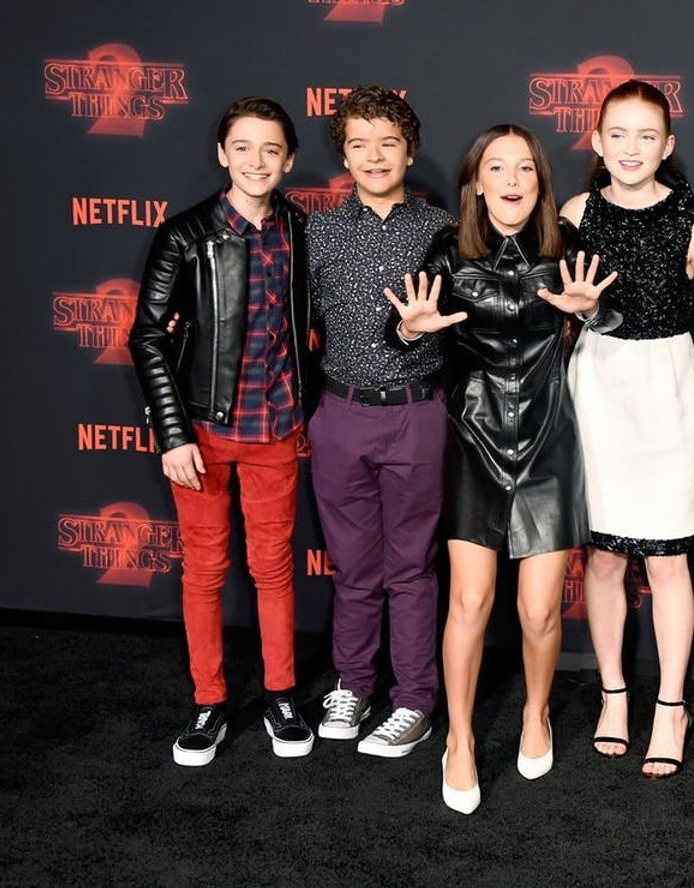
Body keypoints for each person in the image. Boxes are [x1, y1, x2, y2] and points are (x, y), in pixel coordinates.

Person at [385, 124, 620, 813]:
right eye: (497, 167)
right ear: (476, 182)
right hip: (474, 438)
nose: (512, 180)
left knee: (540, 610)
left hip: (549, 442)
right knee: (469, 602)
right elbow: (401, 330)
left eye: (524, 168)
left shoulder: (565, 245)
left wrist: (594, 310)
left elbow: (615, 313)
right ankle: (459, 740)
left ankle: (535, 712)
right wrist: (409, 329)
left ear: (540, 182)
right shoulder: (448, 251)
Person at [561, 80, 694, 779]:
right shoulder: (575, 213)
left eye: (646, 136)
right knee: (603, 558)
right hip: (597, 387)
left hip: (668, 392)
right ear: (597, 141)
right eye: (618, 134)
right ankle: (613, 694)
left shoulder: (693, 220)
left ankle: (671, 707)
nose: (631, 148)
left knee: (668, 563)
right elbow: (552, 318)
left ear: (667, 146)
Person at [128, 97, 316, 765]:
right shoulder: (184, 234)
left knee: (273, 568)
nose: (256, 161)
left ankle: (281, 695)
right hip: (201, 434)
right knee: (204, 570)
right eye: (243, 147)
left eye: (270, 149)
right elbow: (147, 336)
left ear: (288, 160)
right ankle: (208, 702)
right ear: (222, 154)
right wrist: (172, 432)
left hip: (277, 429)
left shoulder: (302, 230)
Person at [305, 86, 454, 757]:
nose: (374, 156)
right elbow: (288, 323)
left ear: (409, 151)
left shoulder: (442, 230)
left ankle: (414, 698)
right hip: (339, 414)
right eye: (359, 144)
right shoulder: (318, 233)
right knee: (354, 568)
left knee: (411, 568)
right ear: (343, 155)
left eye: (388, 142)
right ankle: (354, 683)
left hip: (417, 413)